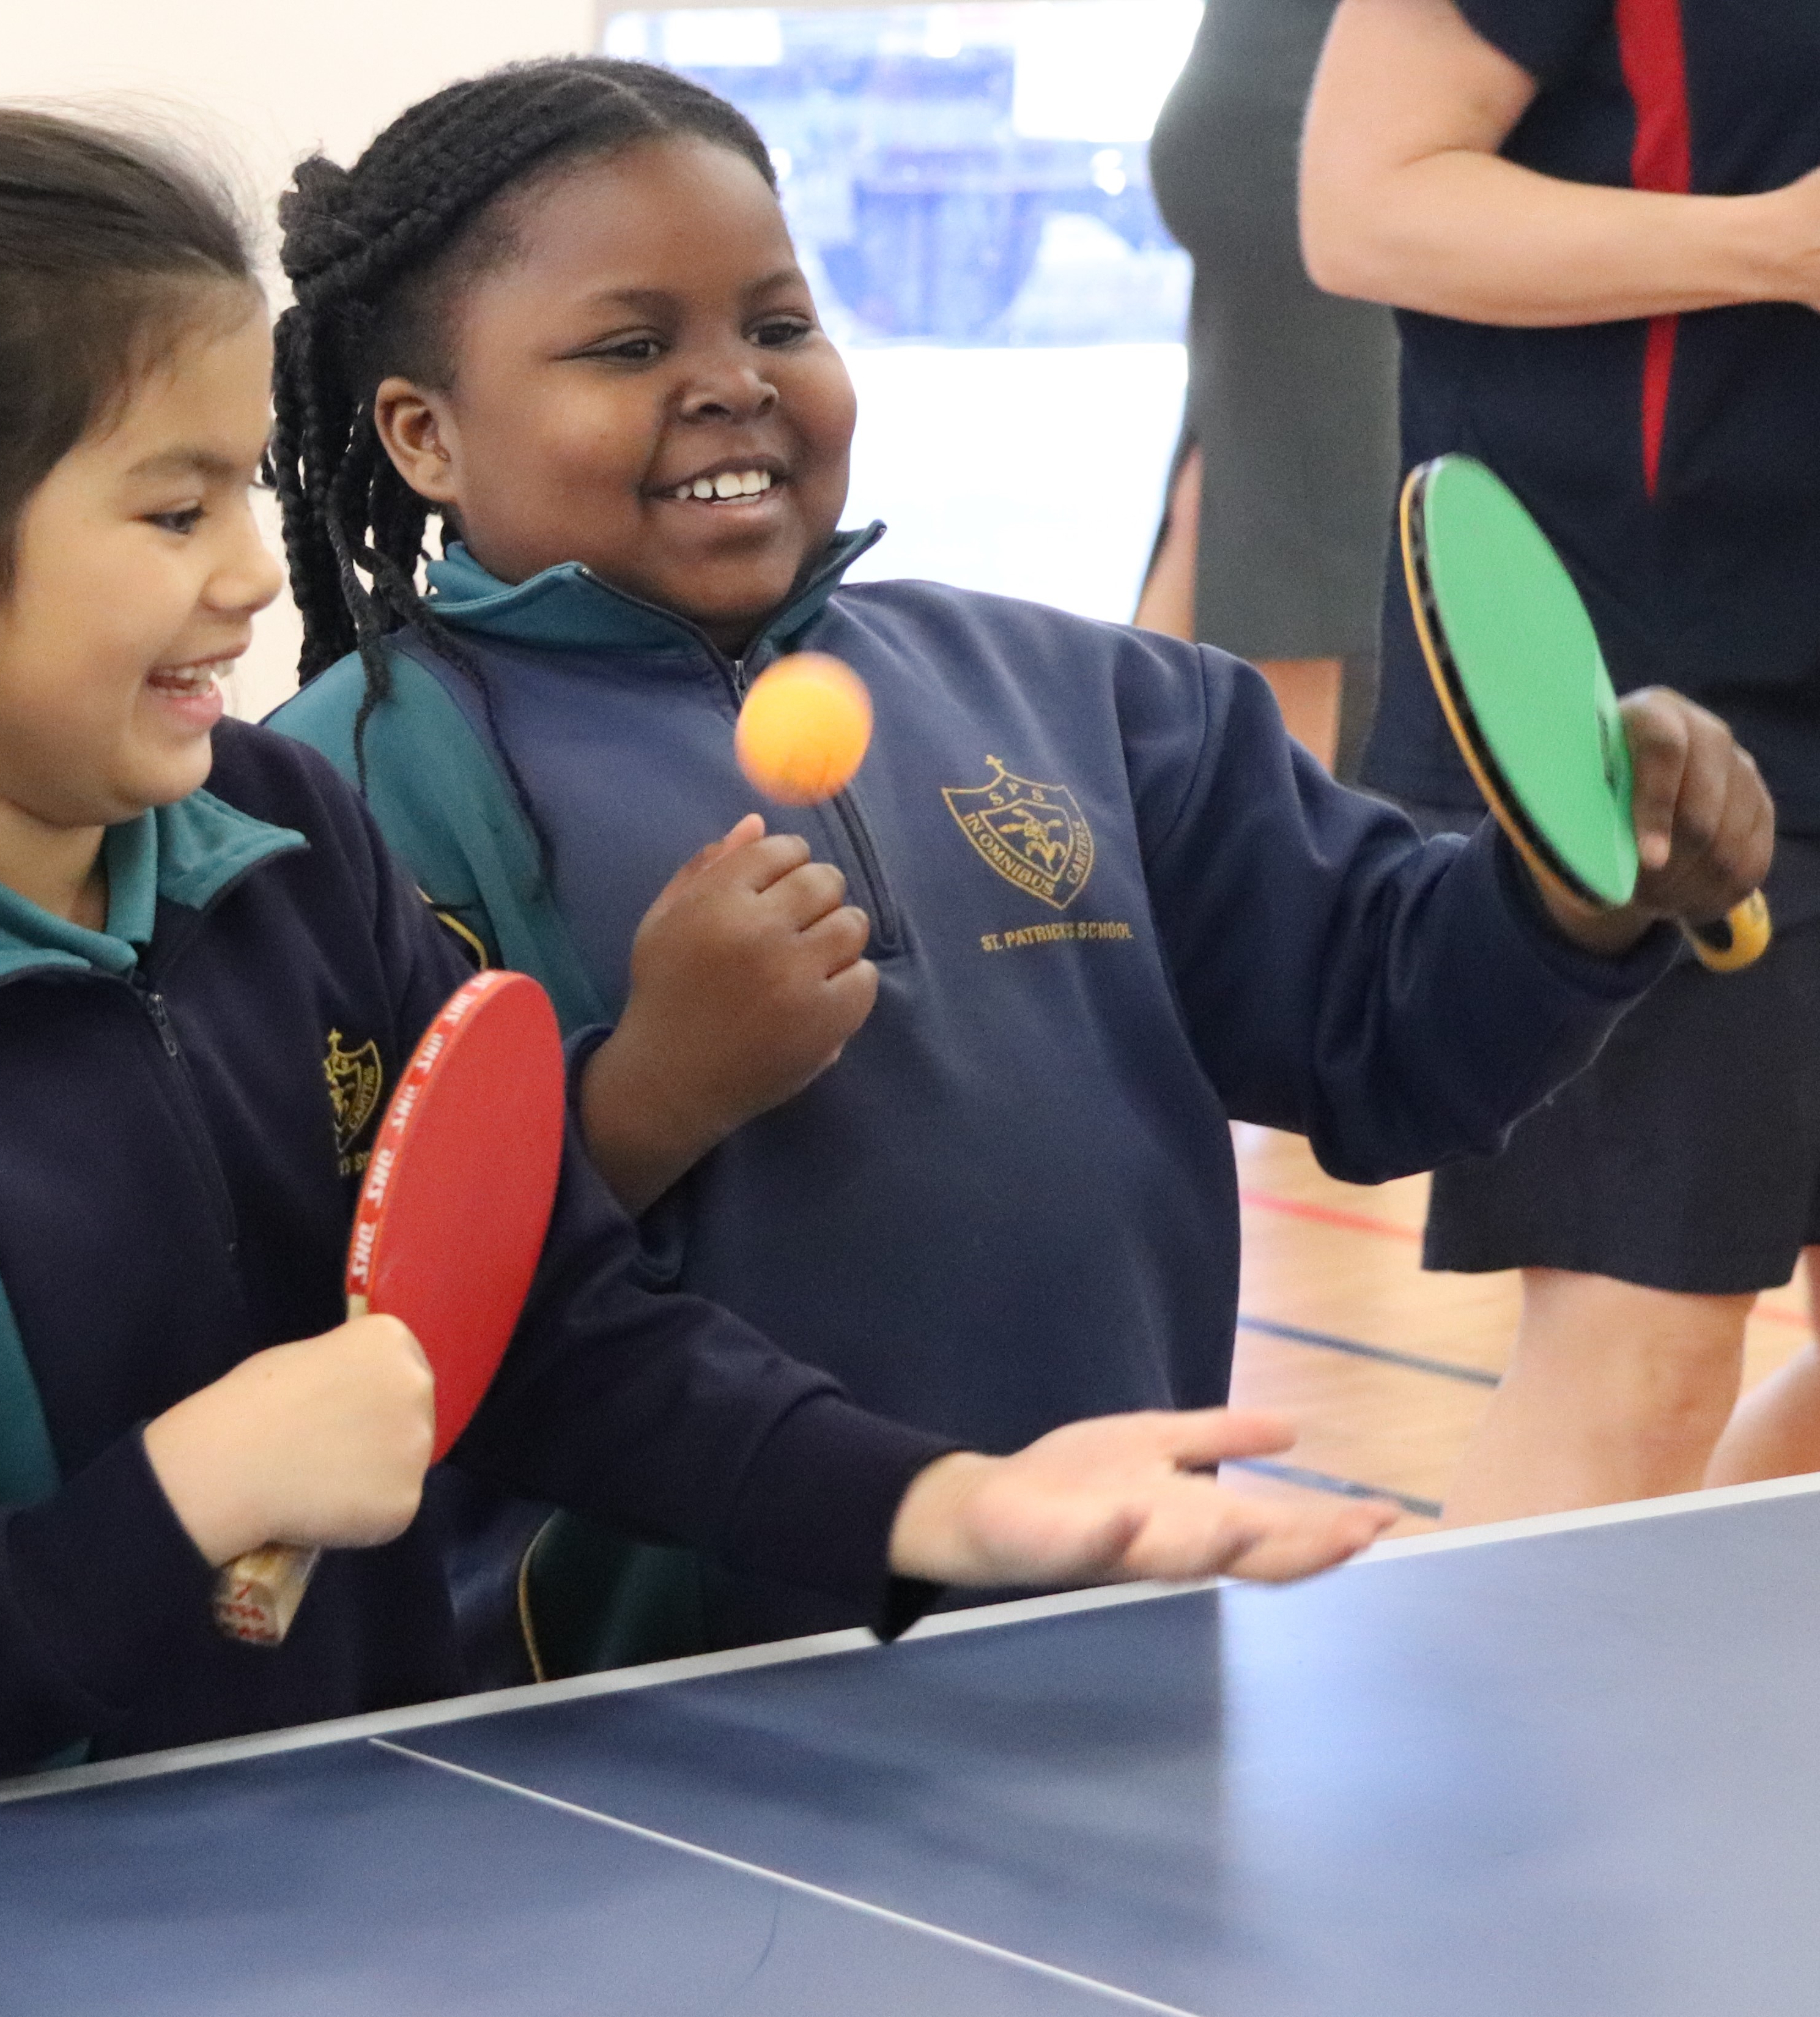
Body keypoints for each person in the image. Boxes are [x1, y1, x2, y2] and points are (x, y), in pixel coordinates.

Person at [0, 104, 1395, 1796]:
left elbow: (557, 1327)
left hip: (390, 1865)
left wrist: (945, 1502)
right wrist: (189, 1494)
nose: (253, 576)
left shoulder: (279, 841)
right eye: (170, 509)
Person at [262, 57, 1772, 1664]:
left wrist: (1560, 900)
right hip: (624, 1727)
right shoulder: (342, 793)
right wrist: (644, 1094)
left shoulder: (1091, 701)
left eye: (776, 323)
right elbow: (343, 1290)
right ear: (422, 435)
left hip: (1103, 1633)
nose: (729, 381)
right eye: (627, 346)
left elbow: (1385, 1032)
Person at [1303, 0, 1820, 1522]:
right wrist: (1781, 247)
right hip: (1650, 708)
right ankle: (1512, 1761)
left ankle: (1685, 1709)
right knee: (1638, 1365)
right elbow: (1365, 200)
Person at [1134, 0, 1399, 772]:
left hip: (1271, 136)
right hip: (1303, 155)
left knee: (1222, 520)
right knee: (1285, 573)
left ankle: (1119, 860)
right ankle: (1271, 874)